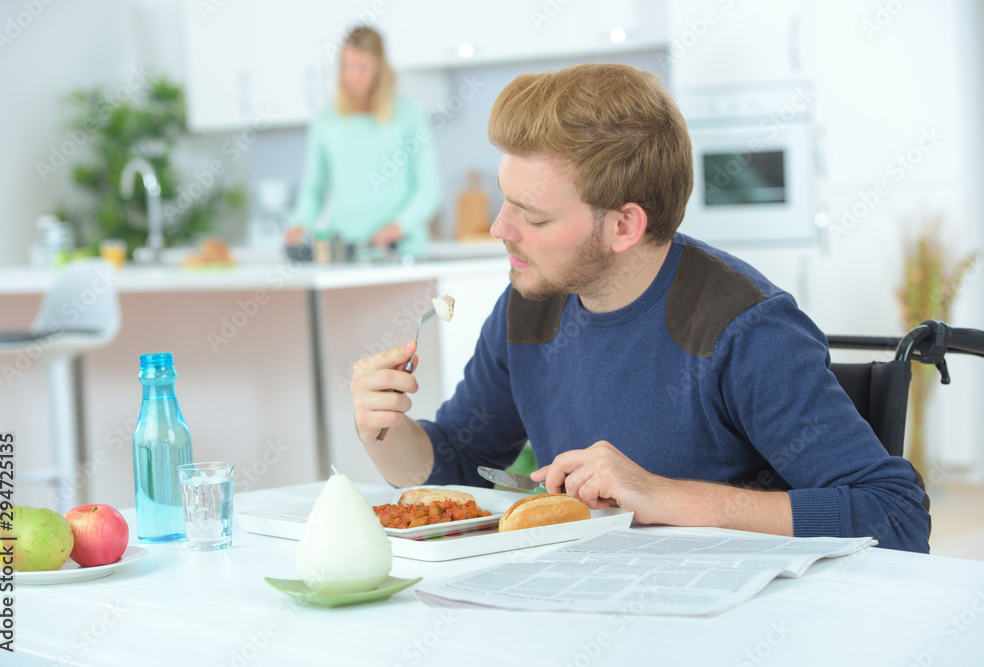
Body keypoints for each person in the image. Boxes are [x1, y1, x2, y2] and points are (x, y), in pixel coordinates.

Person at [350, 63, 931, 553]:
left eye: (535, 215)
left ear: (625, 225)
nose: (500, 228)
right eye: (506, 201)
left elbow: (896, 516)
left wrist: (665, 496)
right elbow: (462, 469)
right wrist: (384, 429)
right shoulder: (526, 308)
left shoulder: (746, 330)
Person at [290, 26, 440, 256]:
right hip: (346, 251)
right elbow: (313, 188)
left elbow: (428, 188)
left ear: (379, 68)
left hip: (400, 250)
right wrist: (300, 223)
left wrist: (398, 226)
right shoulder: (326, 121)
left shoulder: (408, 114)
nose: (353, 75)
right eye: (346, 65)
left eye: (362, 67)